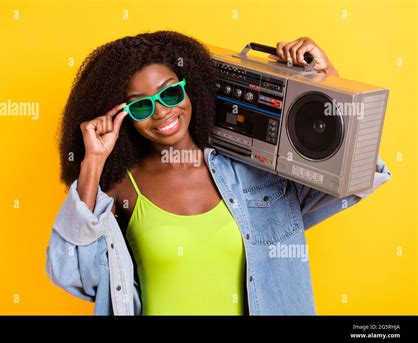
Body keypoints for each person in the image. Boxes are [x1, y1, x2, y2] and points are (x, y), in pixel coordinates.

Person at [46, 31, 391, 315]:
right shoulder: (122, 188)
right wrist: (92, 162)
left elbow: (355, 180)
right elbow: (71, 273)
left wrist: (329, 85)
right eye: (141, 105)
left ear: (190, 87)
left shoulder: (256, 175)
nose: (162, 111)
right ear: (123, 115)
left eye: (169, 92)